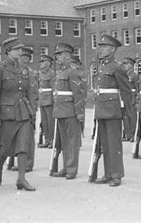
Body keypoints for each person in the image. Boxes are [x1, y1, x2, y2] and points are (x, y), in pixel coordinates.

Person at [0, 37, 37, 191]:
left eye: (20, 49)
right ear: (8, 51)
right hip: (7, 113)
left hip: (23, 111)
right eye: (17, 49)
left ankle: (21, 179)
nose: (20, 52)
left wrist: (33, 111)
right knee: (6, 147)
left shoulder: (24, 69)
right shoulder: (0, 69)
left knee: (23, 145)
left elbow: (29, 91)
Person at [92, 34, 132, 187]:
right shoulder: (101, 66)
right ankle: (107, 173)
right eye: (100, 46)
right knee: (105, 144)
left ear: (113, 49)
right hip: (101, 109)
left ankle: (116, 174)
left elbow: (126, 91)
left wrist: (128, 113)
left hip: (113, 110)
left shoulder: (117, 67)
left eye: (104, 46)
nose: (101, 49)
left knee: (114, 144)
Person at [50, 43, 85, 179]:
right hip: (60, 110)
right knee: (64, 141)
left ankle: (71, 168)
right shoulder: (61, 72)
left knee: (72, 141)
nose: (57, 57)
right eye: (57, 55)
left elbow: (78, 93)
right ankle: (65, 166)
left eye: (59, 54)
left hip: (70, 110)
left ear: (67, 55)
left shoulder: (73, 71)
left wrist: (80, 112)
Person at [8, 47, 37, 172]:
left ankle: (28, 163)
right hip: (14, 107)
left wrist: (33, 110)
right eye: (22, 57)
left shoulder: (29, 73)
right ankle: (15, 161)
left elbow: (33, 93)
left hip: (26, 107)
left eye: (26, 58)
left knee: (28, 137)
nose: (24, 60)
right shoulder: (13, 71)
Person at [37, 52, 55, 149]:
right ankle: (46, 139)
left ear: (48, 63)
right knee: (44, 121)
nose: (41, 64)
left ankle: (52, 139)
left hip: (49, 100)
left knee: (50, 121)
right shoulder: (40, 73)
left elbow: (53, 88)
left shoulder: (51, 74)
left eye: (43, 62)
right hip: (42, 99)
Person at [121, 57, 138, 142]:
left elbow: (137, 89)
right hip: (124, 97)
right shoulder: (124, 75)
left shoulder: (134, 76)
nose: (125, 66)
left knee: (132, 117)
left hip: (132, 98)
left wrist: (136, 100)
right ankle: (127, 134)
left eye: (126, 64)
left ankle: (133, 135)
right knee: (125, 116)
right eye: (124, 64)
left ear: (131, 65)